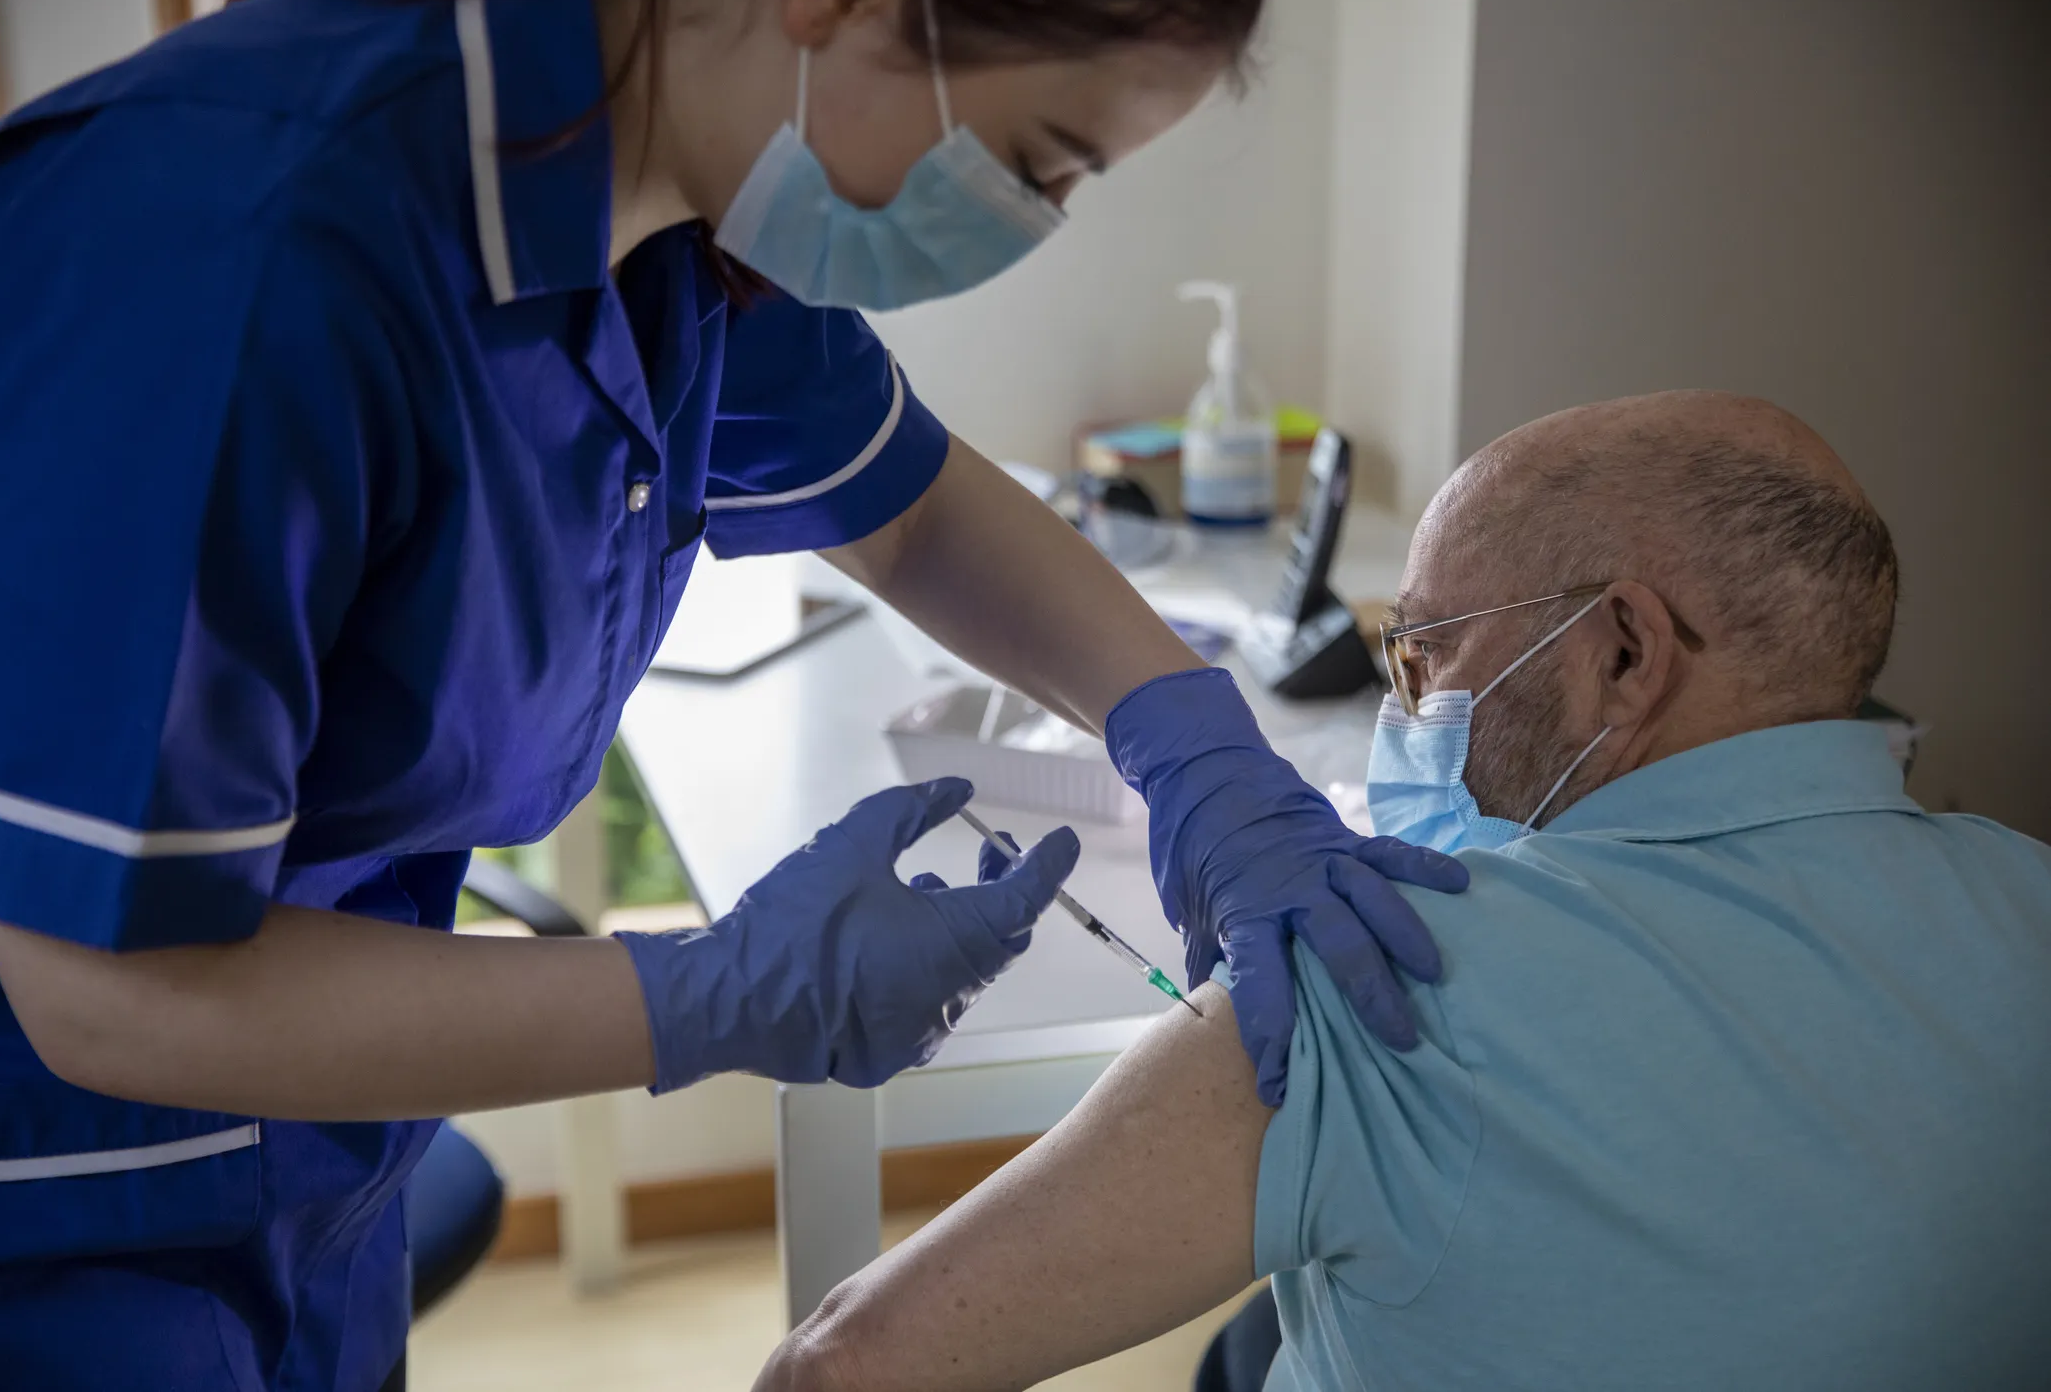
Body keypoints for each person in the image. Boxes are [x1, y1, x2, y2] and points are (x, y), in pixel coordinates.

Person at [0, 0, 1475, 1386]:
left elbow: (916, 507)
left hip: (297, 1180)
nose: (1032, 222)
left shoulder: (669, 220)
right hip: (18, 1217)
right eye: (1043, 160)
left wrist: (1193, 737)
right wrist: (713, 992)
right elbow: (110, 988)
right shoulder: (231, 243)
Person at [753, 391, 2051, 1392]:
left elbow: (845, 1368)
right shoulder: (2027, 900)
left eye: (1426, 653)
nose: (1407, 710)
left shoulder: (1381, 969)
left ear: (1621, 652)